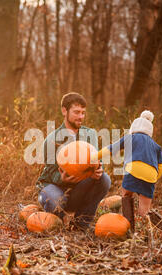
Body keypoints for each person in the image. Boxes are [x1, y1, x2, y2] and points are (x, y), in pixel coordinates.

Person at [36, 92, 111, 230]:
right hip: (56, 187)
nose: (81, 117)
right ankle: (56, 222)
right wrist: (64, 179)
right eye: (76, 112)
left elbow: (96, 160)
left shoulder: (90, 135)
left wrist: (98, 170)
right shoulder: (52, 139)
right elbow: (51, 172)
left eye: (83, 112)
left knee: (105, 179)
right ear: (64, 111)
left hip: (78, 189)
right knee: (53, 200)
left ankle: (81, 224)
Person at [92, 110, 162, 235]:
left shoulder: (130, 138)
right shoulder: (156, 145)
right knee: (145, 210)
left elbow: (111, 149)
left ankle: (129, 228)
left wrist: (94, 156)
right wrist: (154, 177)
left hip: (133, 170)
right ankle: (159, 229)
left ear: (134, 128)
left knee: (126, 195)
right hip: (150, 176)